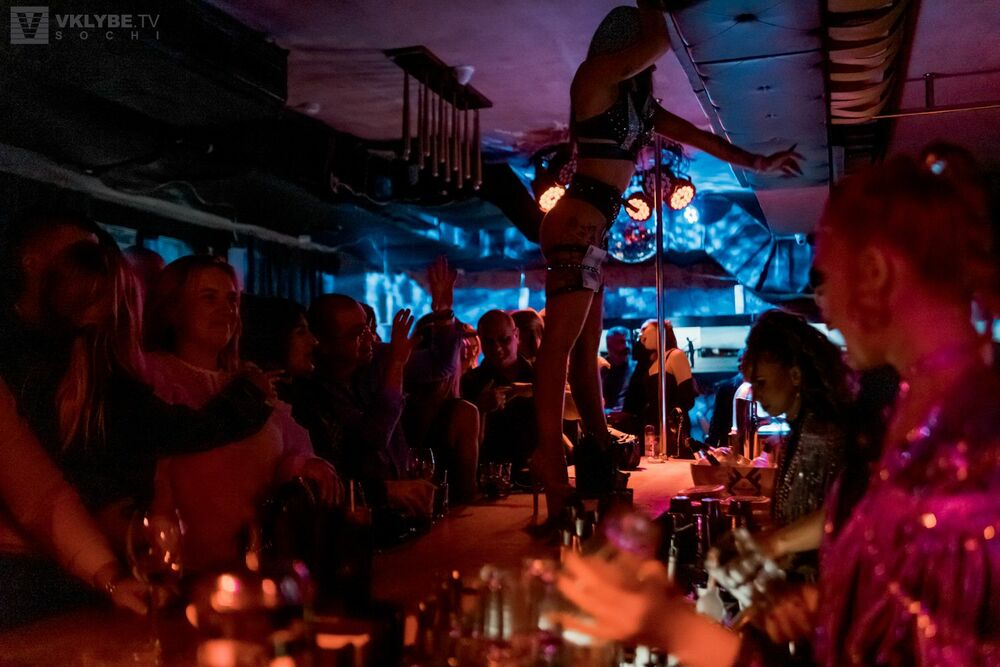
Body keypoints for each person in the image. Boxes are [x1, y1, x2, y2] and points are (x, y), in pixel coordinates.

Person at [556, 153, 1000, 666]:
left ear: (874, 272)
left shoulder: (964, 451)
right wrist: (824, 606)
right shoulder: (923, 401)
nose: (823, 310)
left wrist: (677, 630)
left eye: (825, 280)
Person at [533, 0, 803, 521]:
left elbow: (700, 138)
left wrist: (756, 161)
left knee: (583, 353)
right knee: (561, 349)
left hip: (592, 227)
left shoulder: (638, 107)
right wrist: (655, 6)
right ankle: (549, 461)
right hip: (577, 223)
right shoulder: (593, 79)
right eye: (635, 48)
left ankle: (598, 446)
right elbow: (659, 40)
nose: (645, 61)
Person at [144, 256, 338, 571]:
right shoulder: (151, 376)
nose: (227, 309)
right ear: (172, 309)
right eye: (209, 298)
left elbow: (294, 449)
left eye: (232, 299)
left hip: (258, 565)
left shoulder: (250, 380)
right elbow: (158, 460)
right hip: (184, 570)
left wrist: (305, 466)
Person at [300, 294, 436, 520]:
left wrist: (443, 313)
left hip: (399, 508)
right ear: (323, 344)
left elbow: (440, 364)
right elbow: (375, 436)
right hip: (359, 521)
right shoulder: (313, 395)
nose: (369, 339)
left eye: (367, 329)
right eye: (357, 334)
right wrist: (397, 362)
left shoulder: (366, 373)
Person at [741, 310, 852, 529]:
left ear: (795, 375)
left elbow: (805, 523)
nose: (755, 396)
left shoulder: (818, 438)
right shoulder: (803, 429)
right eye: (753, 385)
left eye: (761, 383)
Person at [461, 310, 537, 472]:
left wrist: (536, 391)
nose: (497, 348)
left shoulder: (539, 376)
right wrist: (479, 409)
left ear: (517, 335)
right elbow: (463, 450)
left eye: (504, 339)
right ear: (481, 342)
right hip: (492, 476)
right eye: (489, 342)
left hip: (537, 474)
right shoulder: (471, 382)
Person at [620, 320, 695, 450]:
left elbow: (687, 399)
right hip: (654, 429)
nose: (641, 334)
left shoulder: (675, 355)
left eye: (645, 329)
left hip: (671, 431)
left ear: (660, 329)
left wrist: (671, 421)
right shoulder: (653, 362)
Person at [601, 325, 634, 412]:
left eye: (628, 341)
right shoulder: (600, 369)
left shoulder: (637, 369)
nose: (627, 346)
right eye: (621, 342)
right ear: (609, 346)